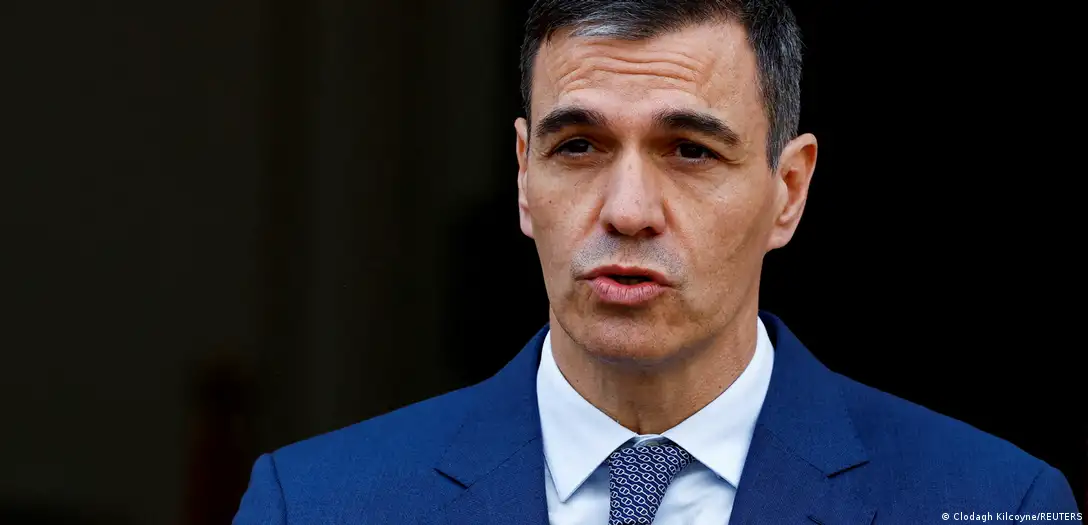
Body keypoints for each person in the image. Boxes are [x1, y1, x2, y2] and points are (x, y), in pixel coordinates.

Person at [233, 0, 1083, 523]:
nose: (629, 210)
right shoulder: (313, 504)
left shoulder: (992, 503)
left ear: (788, 190)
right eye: (578, 145)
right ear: (523, 177)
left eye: (689, 150)